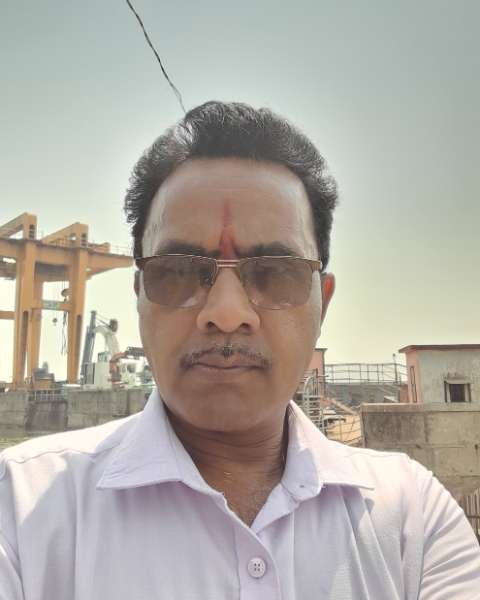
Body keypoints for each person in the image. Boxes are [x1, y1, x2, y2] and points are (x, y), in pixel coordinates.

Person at [0, 102, 479, 599]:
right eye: (179, 272)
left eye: (274, 273)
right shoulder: (21, 509)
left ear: (323, 301)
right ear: (139, 294)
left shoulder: (411, 520)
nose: (227, 314)